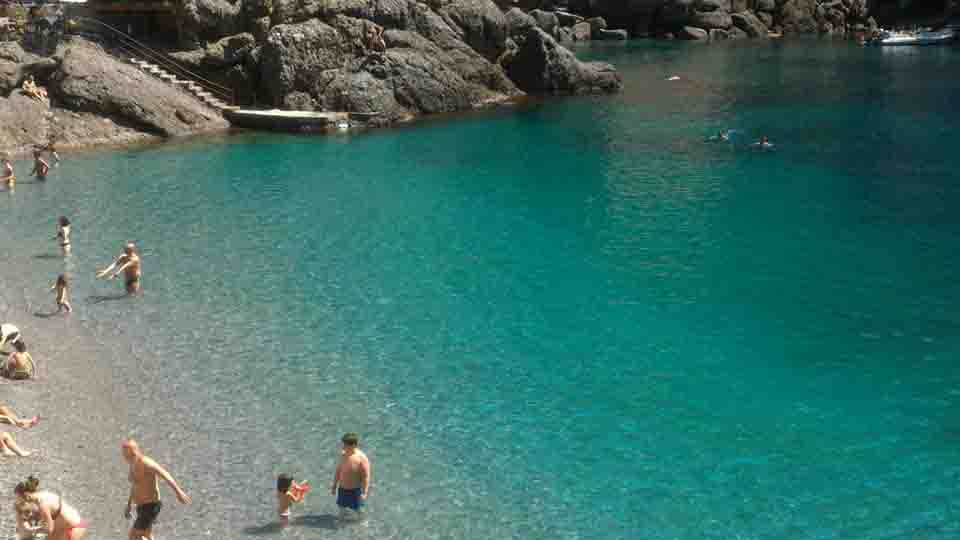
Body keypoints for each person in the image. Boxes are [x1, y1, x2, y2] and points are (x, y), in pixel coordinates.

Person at [122, 438, 191, 540]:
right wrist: (129, 505)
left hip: (150, 506)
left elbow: (165, 474)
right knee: (146, 535)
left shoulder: (146, 463)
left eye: (132, 454)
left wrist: (178, 492)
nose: (129, 458)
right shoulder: (132, 464)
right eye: (126, 456)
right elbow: (135, 486)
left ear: (137, 450)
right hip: (141, 507)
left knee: (133, 537)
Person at [14, 476, 86, 540]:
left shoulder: (43, 504)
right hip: (66, 526)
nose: (22, 502)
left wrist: (32, 530)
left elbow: (49, 529)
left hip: (73, 528)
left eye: (22, 499)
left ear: (27, 496)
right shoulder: (42, 495)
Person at [330, 432, 371, 518]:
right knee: (341, 506)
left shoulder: (362, 458)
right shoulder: (343, 454)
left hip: (355, 490)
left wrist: (364, 493)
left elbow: (366, 477)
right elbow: (338, 470)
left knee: (358, 509)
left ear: (354, 445)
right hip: (342, 488)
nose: (343, 447)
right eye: (343, 445)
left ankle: (362, 522)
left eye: (345, 445)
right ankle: (342, 520)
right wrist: (334, 486)